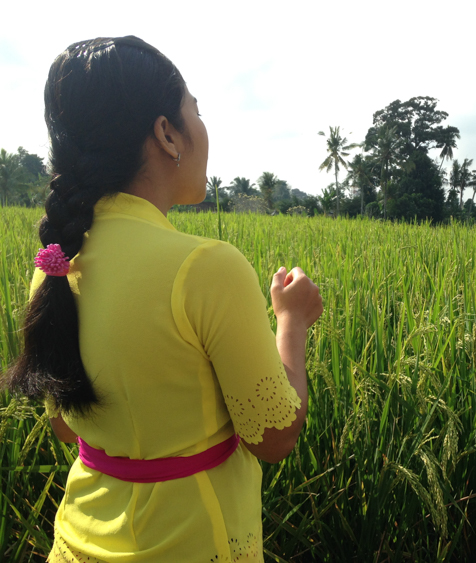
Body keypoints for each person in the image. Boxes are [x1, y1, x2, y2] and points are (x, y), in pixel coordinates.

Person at [4, 36, 323, 562]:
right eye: (194, 111)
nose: (202, 127)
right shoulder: (207, 267)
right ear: (166, 134)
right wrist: (291, 323)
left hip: (77, 541)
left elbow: (66, 427)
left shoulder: (53, 271)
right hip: (195, 543)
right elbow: (273, 436)